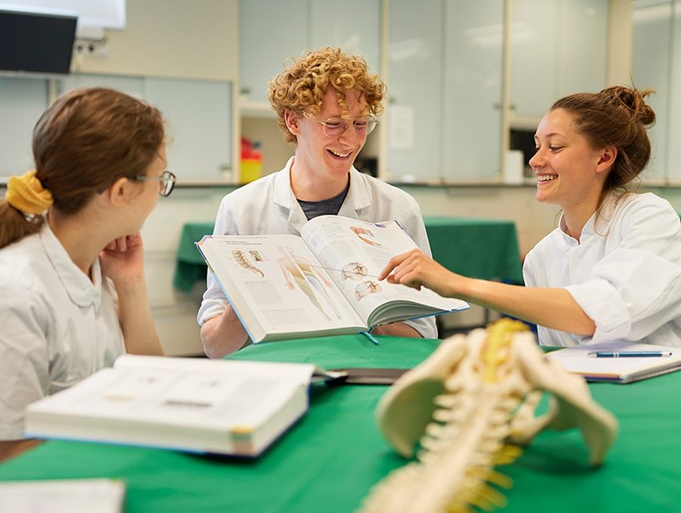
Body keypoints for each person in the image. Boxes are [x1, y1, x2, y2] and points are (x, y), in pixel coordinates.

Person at [379, 85, 681, 358]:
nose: (536, 160)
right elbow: (565, 355)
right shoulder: (542, 258)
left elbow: (597, 314)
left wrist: (456, 284)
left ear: (604, 157)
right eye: (537, 146)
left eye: (555, 146)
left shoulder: (648, 217)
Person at [198, 47, 437, 358]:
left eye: (360, 123)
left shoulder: (398, 209)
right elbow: (214, 347)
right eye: (334, 124)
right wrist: (249, 297)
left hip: (367, 371)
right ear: (294, 121)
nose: (351, 140)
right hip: (281, 373)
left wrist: (366, 304)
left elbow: (424, 335)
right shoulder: (241, 209)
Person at [0, 87, 171, 459]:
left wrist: (131, 285)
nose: (161, 190)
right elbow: (10, 450)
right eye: (161, 178)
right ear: (122, 191)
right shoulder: (16, 291)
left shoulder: (95, 261)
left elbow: (155, 381)